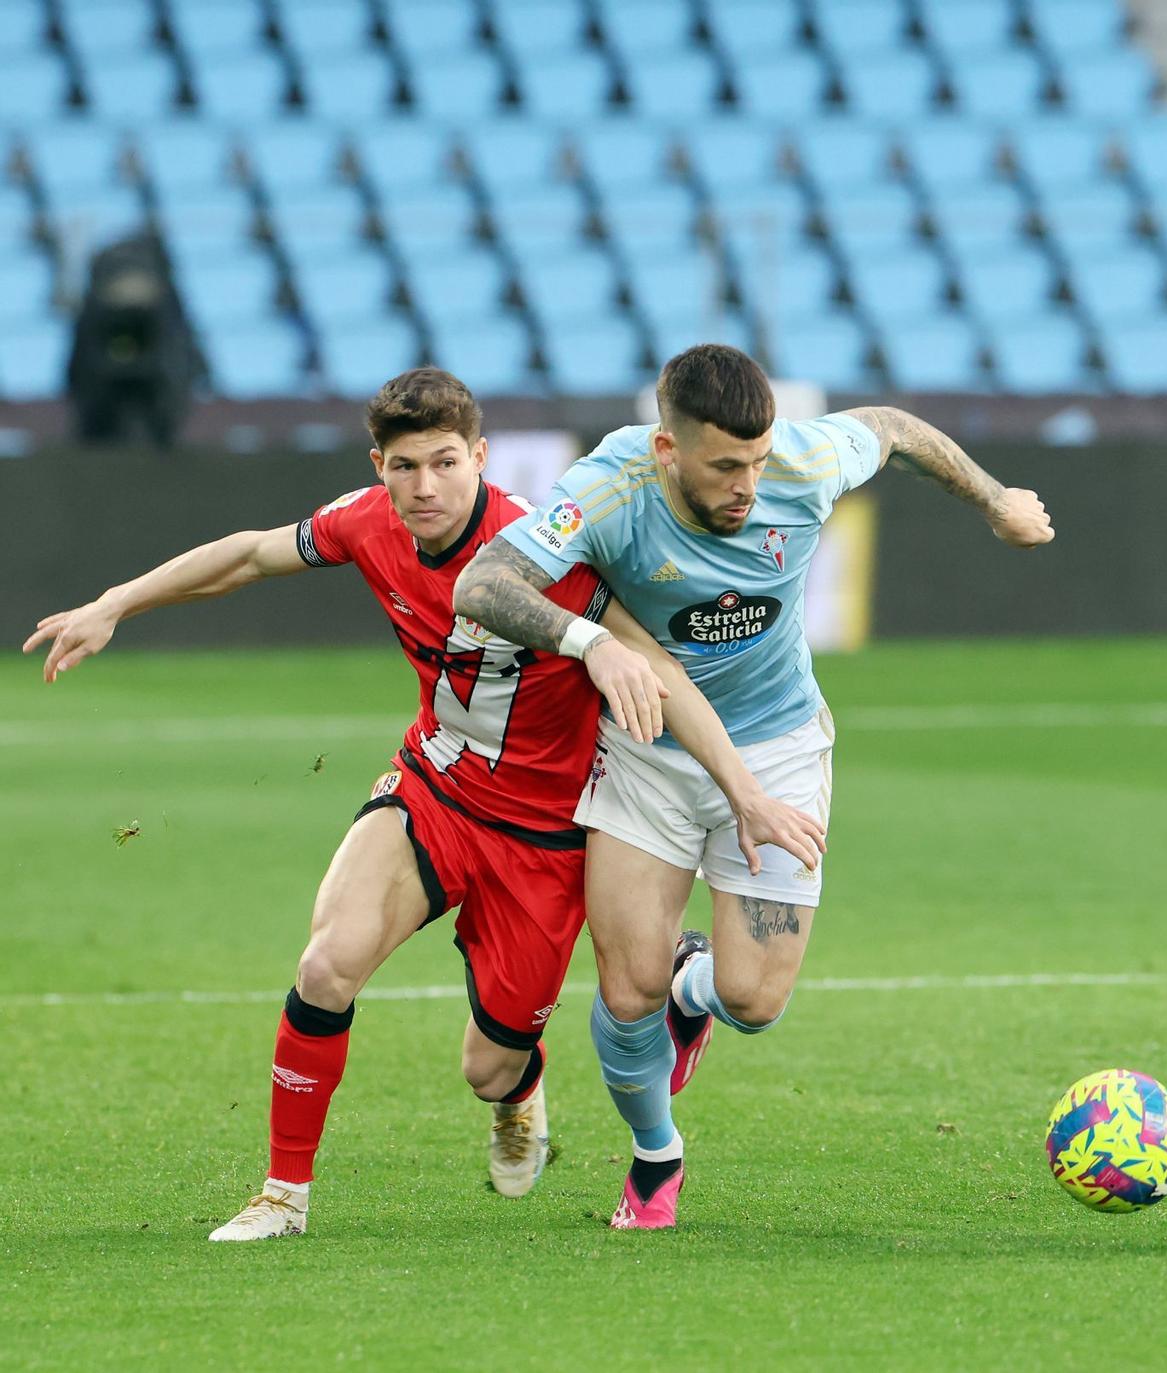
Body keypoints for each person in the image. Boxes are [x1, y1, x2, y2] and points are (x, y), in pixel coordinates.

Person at [22, 368, 823, 1240]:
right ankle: (283, 1195)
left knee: (488, 1066)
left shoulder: (541, 553)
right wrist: (116, 603)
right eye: (404, 467)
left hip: (545, 838)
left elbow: (656, 670)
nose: (424, 486)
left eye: (445, 462)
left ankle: (527, 1080)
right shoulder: (370, 523)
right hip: (431, 789)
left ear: (479, 456)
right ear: (380, 466)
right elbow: (252, 553)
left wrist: (738, 785)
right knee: (327, 963)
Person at [455, 344, 1054, 1229]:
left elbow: (892, 430)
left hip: (776, 748)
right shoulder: (611, 486)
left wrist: (998, 500)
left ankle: (698, 991)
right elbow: (482, 582)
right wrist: (591, 644)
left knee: (753, 1000)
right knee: (627, 992)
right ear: (668, 452)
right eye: (726, 465)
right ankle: (656, 1153)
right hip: (649, 751)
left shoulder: (803, 464)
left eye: (758, 461)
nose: (748, 483)